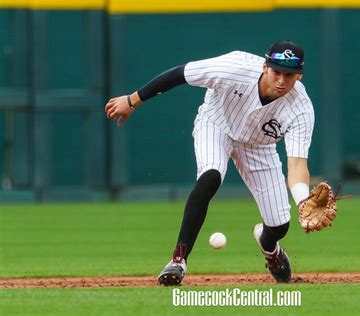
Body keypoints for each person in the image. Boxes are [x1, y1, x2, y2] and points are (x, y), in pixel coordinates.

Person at [105, 40, 315, 286]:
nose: (281, 80)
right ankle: (178, 261)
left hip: (259, 147)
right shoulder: (234, 66)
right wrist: (132, 101)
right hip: (216, 125)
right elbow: (179, 74)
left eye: (288, 75)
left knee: (279, 225)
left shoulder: (301, 108)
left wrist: (303, 201)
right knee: (211, 176)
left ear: (298, 76)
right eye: (276, 71)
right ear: (264, 67)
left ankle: (270, 248)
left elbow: (298, 164)